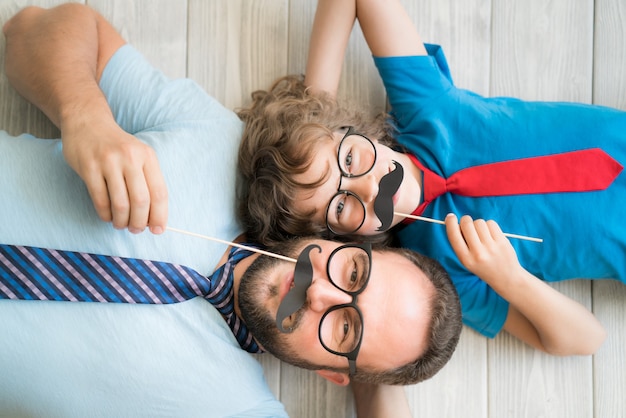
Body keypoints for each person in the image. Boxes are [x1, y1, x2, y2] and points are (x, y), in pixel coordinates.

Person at [0, 3, 462, 415]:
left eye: (346, 328)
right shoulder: (216, 140)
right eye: (355, 273)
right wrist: (86, 115)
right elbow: (25, 33)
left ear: (334, 374)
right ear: (343, 239)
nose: (321, 292)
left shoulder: (236, 407)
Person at [237, 0, 625, 356]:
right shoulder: (442, 267)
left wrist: (316, 112)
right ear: (342, 237)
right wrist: (509, 278)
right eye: (340, 205)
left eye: (351, 158)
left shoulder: (426, 108)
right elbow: (586, 339)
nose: (371, 186)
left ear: (358, 131)